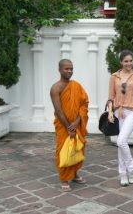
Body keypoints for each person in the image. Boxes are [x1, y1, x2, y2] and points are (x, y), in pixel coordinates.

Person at [50, 59, 89, 192]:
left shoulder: (76, 86)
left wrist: (77, 122)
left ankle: (74, 173)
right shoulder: (55, 88)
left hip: (75, 124)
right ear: (59, 69)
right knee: (63, 150)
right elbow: (58, 110)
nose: (70, 71)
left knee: (77, 149)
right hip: (63, 125)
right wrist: (69, 127)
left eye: (71, 68)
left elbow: (84, 104)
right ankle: (64, 178)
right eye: (66, 69)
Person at [108, 50, 133, 186]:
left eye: (131, 61)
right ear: (121, 62)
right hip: (119, 112)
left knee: (121, 140)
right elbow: (111, 97)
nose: (129, 63)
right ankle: (123, 174)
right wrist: (111, 112)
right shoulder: (114, 77)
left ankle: (131, 168)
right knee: (120, 143)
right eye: (126, 61)